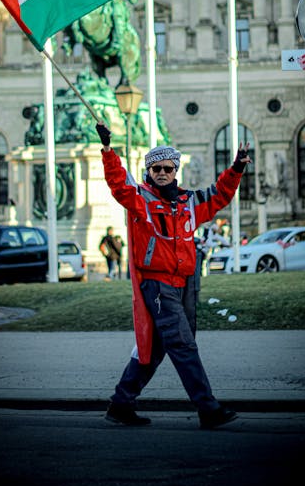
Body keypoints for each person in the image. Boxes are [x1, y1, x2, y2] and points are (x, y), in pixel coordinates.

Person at [95, 121, 251, 429]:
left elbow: (219, 195)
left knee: (154, 349)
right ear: (149, 172)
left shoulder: (190, 201)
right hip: (157, 284)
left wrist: (235, 170)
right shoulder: (140, 199)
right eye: (156, 169)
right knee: (182, 344)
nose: (163, 173)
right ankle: (208, 408)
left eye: (167, 168)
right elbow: (118, 184)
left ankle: (121, 403)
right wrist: (108, 150)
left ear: (175, 170)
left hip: (185, 283)